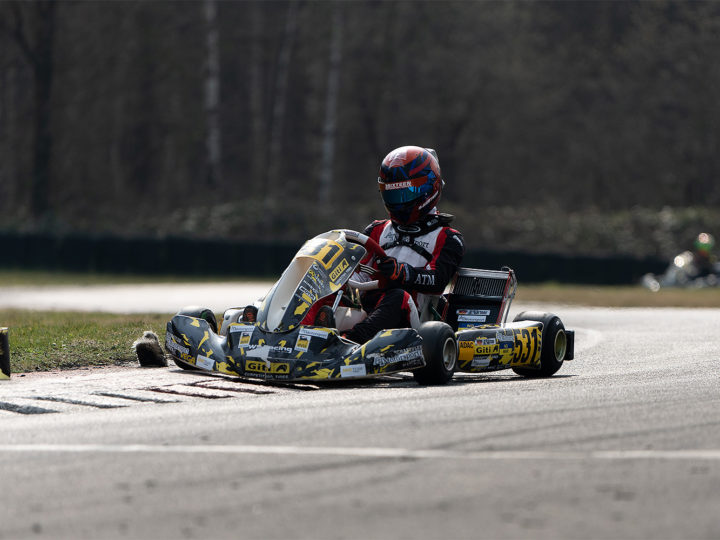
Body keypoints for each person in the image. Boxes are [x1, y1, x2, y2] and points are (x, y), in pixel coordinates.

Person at [342, 145, 465, 343]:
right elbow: (359, 272)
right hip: (370, 308)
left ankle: (352, 341)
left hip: (416, 322)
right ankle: (297, 335)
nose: (398, 203)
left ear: (428, 188)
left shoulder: (448, 237)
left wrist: (402, 272)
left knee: (398, 297)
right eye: (392, 195)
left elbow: (438, 281)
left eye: (405, 194)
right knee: (331, 293)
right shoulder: (376, 230)